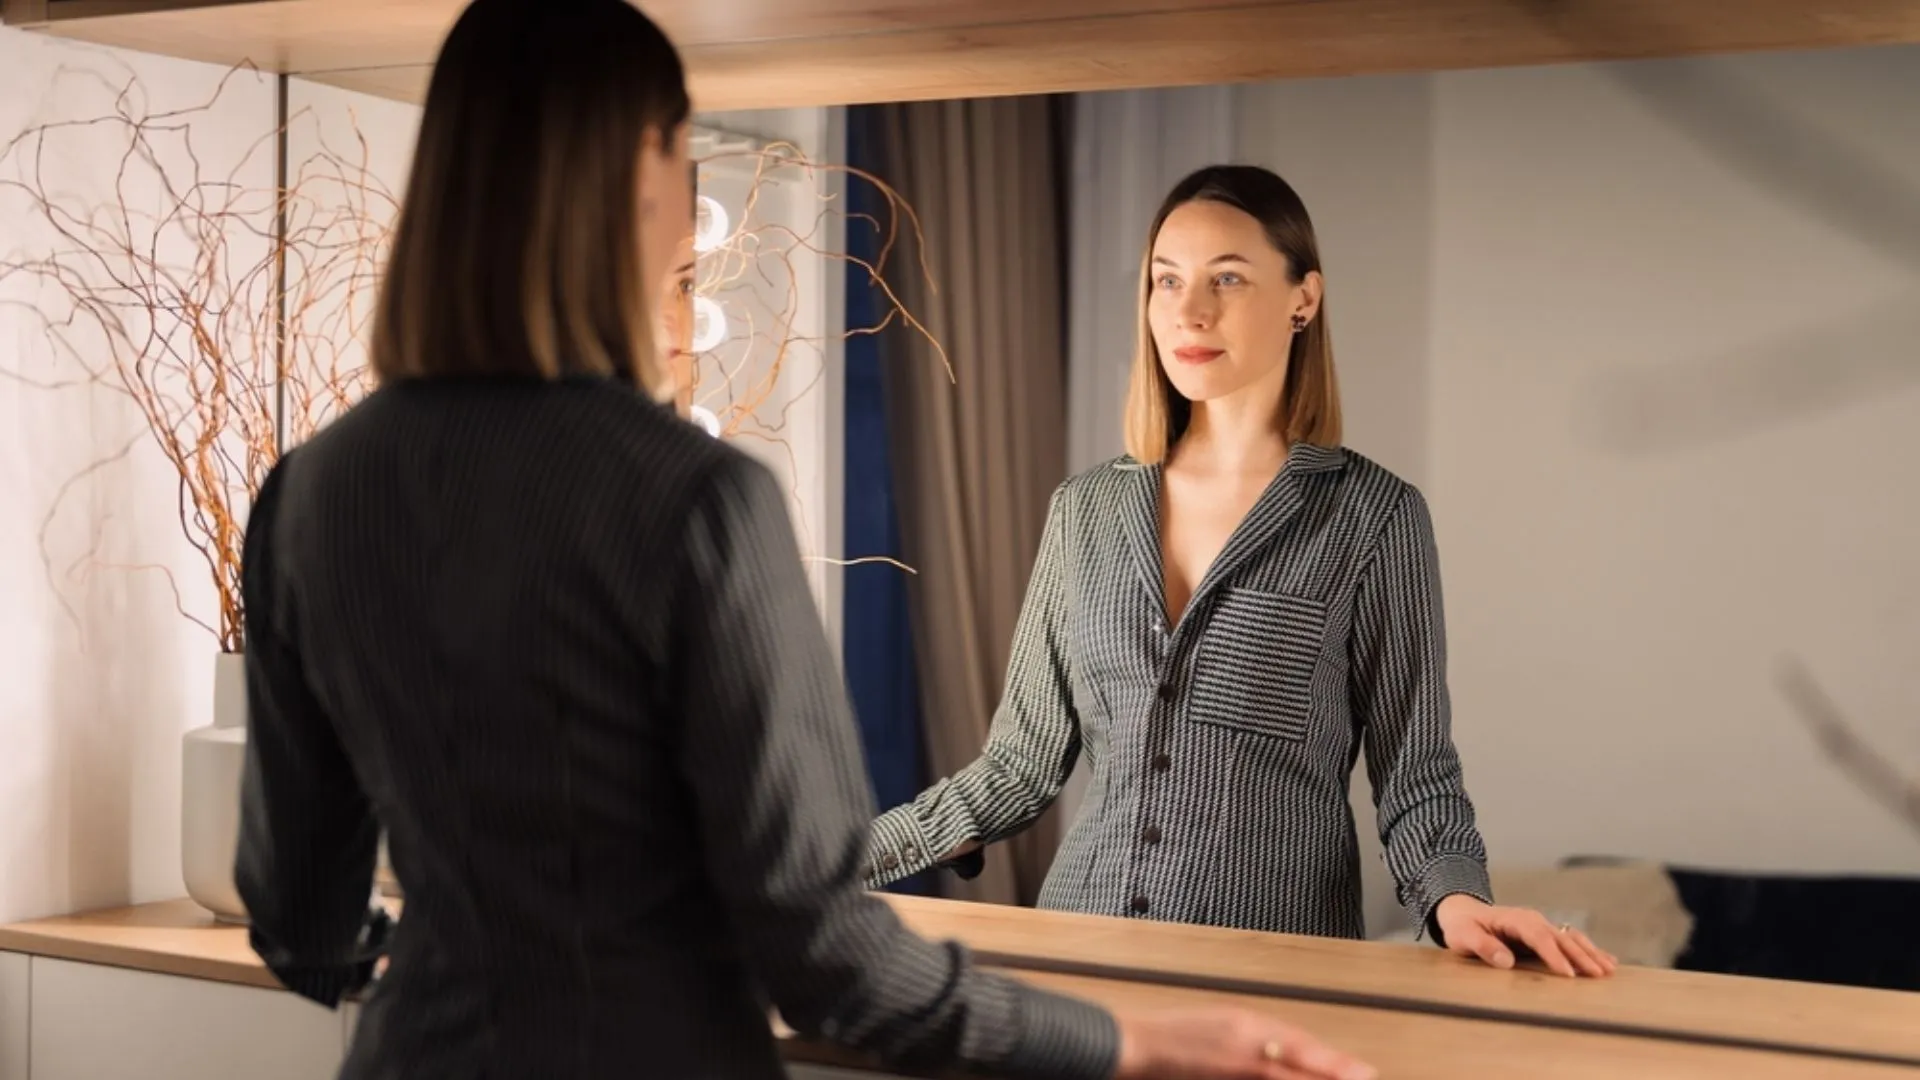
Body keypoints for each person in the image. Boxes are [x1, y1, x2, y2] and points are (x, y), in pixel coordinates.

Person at [230, 3, 1377, 1079]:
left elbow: (299, 924)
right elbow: (828, 958)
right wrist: (1121, 1043)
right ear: (634, 170)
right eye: (681, 157)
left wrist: (461, 972)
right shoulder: (693, 500)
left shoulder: (309, 496)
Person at [865, 164, 1619, 981]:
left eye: (1228, 278)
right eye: (1167, 281)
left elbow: (1416, 773)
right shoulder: (1083, 512)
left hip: (1278, 978)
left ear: (1304, 298)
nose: (1189, 310)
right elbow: (1018, 766)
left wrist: (1457, 901)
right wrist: (844, 857)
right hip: (1081, 966)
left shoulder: (1374, 518)